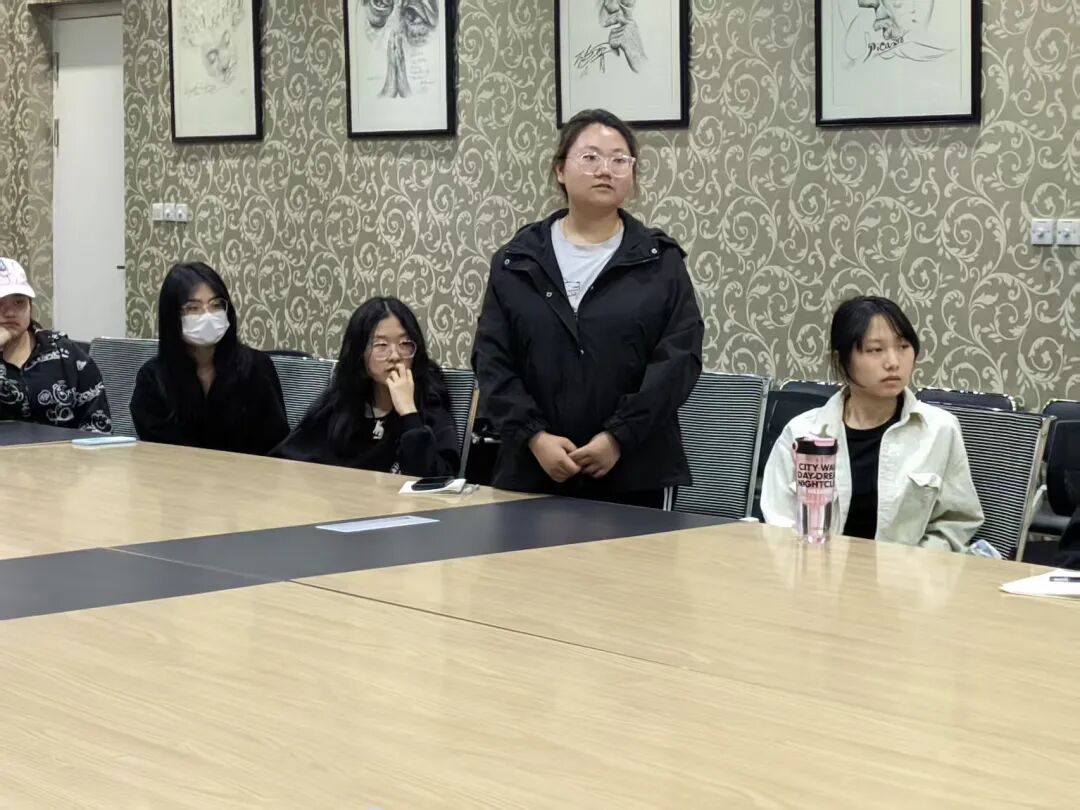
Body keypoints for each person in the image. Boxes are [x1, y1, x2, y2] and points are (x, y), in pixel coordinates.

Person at [472, 108, 704, 509]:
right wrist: (534, 436)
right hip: (531, 469)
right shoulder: (517, 260)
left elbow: (679, 360)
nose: (605, 170)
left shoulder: (660, 261)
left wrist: (618, 437)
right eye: (591, 157)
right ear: (560, 170)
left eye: (619, 160)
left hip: (634, 470)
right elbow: (491, 359)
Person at [761, 295, 984, 551]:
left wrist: (913, 563)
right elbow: (779, 523)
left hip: (906, 572)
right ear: (841, 361)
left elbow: (956, 521)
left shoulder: (940, 430)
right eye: (875, 350)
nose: (893, 362)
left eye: (903, 346)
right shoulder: (802, 433)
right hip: (814, 569)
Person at [272, 296, 459, 476]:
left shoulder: (429, 405)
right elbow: (284, 459)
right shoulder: (342, 405)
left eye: (404, 343)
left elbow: (439, 480)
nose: (395, 355)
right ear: (359, 353)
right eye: (381, 345)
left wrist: (408, 412)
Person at [131, 262, 288, 455]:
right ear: (171, 317)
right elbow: (156, 450)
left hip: (248, 473)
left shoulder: (256, 368)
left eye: (216, 305)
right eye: (193, 308)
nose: (207, 316)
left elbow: (275, 445)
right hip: (176, 473)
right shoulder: (153, 379)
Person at [0, 257, 111, 433]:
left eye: (19, 302)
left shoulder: (65, 353)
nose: (10, 312)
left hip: (64, 450)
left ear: (31, 307)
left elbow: (98, 424)